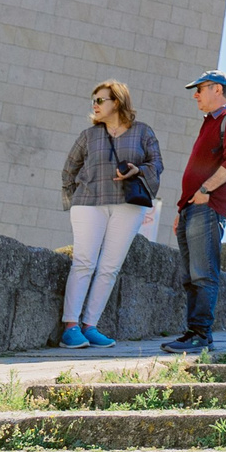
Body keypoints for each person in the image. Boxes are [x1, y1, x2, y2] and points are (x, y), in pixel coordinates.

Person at [58, 79, 162, 349]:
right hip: (89, 203)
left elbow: (156, 164)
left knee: (110, 267)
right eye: (93, 100)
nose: (94, 105)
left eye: (100, 100)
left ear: (117, 102)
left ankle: (90, 325)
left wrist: (137, 171)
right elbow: (69, 170)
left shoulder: (142, 132)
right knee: (84, 262)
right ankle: (71, 327)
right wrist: (75, 200)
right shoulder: (88, 135)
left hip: (129, 205)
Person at [163, 70, 226, 353]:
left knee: (203, 274)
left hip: (209, 206)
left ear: (217, 89)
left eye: (200, 89)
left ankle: (201, 335)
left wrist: (205, 191)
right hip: (192, 208)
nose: (195, 95)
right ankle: (193, 333)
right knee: (190, 277)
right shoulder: (209, 123)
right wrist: (182, 208)